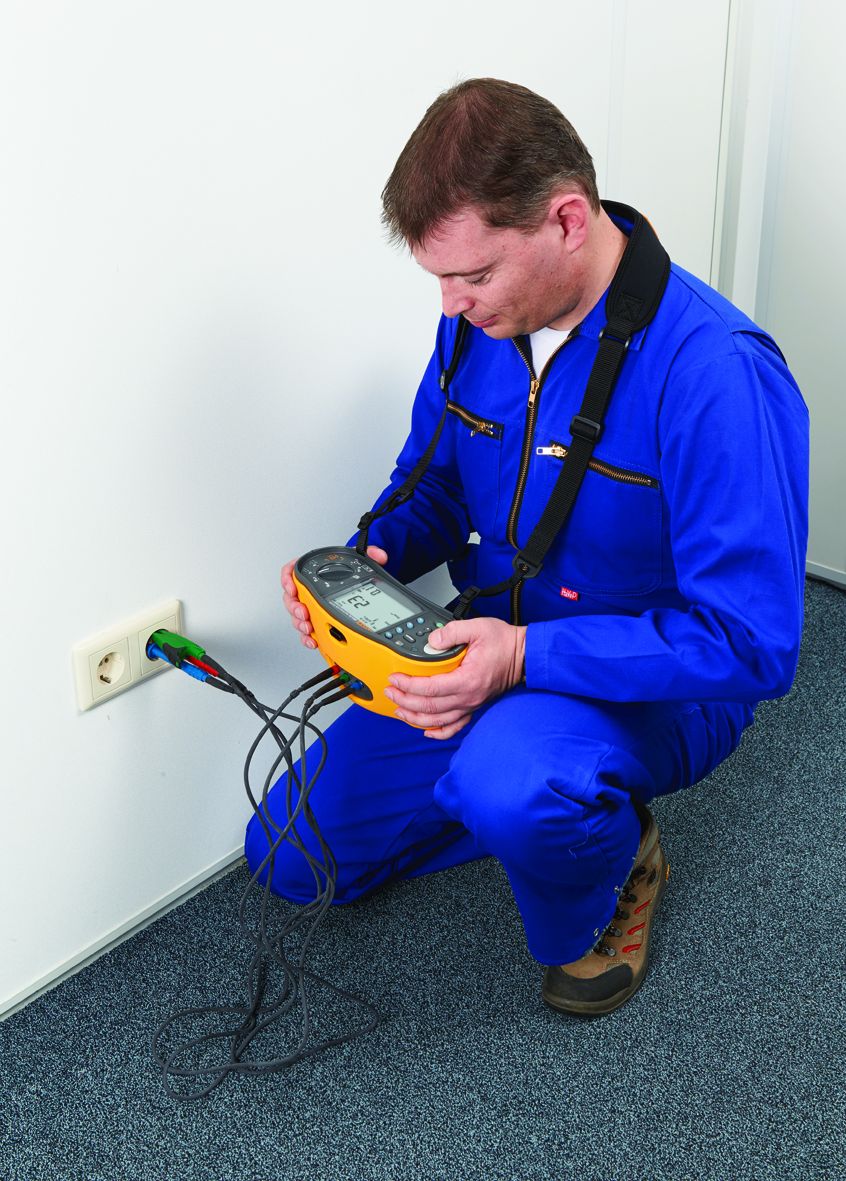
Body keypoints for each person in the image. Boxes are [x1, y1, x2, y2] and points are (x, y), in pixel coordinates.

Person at [247, 78, 809, 1015]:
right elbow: (433, 482)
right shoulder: (478, 325)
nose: (451, 303)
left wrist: (523, 661)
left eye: (473, 275)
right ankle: (524, 791)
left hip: (659, 683)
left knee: (515, 782)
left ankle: (609, 849)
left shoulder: (718, 372)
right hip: (487, 644)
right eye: (437, 279)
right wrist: (367, 560)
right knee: (291, 854)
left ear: (568, 220)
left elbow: (752, 643)